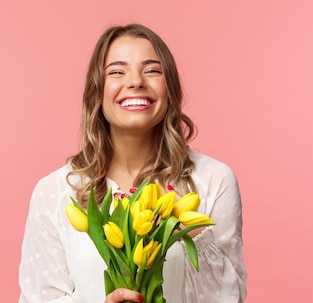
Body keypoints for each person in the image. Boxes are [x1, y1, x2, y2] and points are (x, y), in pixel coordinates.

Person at [18, 23, 247, 303]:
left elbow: (229, 298)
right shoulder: (55, 192)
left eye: (152, 70)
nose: (136, 81)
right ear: (97, 91)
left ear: (169, 88)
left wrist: (190, 228)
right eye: (116, 71)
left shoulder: (213, 180)